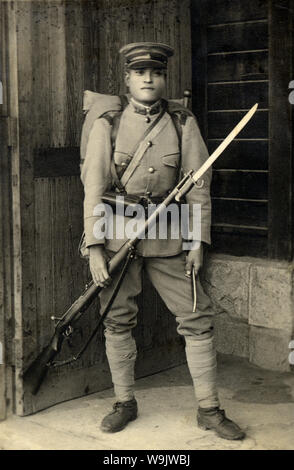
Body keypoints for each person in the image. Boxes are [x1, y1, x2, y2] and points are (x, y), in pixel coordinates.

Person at [80, 42, 245, 440]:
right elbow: (92, 187)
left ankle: (209, 409)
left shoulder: (182, 122)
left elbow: (198, 187)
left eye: (155, 73)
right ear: (128, 79)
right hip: (119, 236)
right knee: (117, 318)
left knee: (196, 316)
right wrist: (95, 247)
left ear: (164, 78)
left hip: (170, 233)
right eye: (140, 73)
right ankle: (125, 402)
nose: (148, 79)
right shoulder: (109, 122)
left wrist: (197, 242)